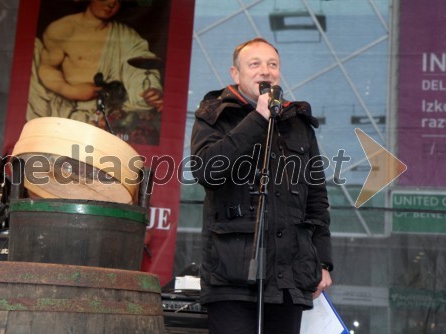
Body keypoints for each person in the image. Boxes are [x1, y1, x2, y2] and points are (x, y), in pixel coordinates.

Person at [190, 37, 333, 334]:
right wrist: (258, 118)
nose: (265, 71)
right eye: (254, 64)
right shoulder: (215, 115)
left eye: (272, 64)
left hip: (289, 277)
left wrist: (323, 261)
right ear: (236, 73)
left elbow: (316, 196)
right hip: (232, 276)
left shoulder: (298, 123)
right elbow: (207, 170)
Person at [27, 0, 163, 141]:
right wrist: (70, 90)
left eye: (117, 1)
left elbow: (141, 67)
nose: (111, 4)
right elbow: (47, 68)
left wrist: (151, 90)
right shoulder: (62, 29)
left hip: (112, 111)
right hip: (71, 109)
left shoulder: (126, 36)